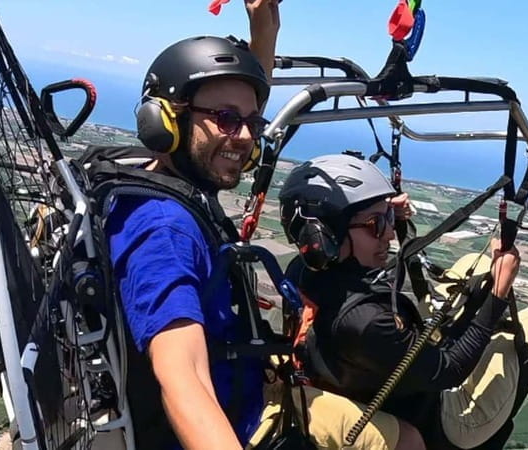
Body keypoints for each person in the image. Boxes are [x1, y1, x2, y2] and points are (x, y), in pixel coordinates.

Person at [100, 2, 426, 449]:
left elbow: (236, 108)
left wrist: (264, 26)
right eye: (228, 120)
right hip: (241, 418)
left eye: (253, 122)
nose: (248, 136)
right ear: (167, 121)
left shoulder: (160, 176)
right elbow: (183, 376)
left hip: (244, 384)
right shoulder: (163, 230)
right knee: (405, 440)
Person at [277, 151, 528, 449]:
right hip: (447, 420)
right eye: (377, 224)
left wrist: (391, 217)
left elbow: (377, 287)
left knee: (477, 262)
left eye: (388, 217)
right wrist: (498, 294)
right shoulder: (367, 323)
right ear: (328, 235)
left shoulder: (307, 272)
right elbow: (449, 371)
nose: (389, 233)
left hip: (390, 386)